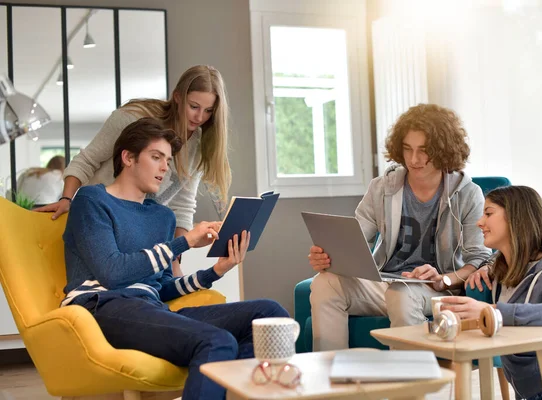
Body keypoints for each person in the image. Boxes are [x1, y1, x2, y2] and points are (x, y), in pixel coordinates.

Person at [61, 118, 288, 399]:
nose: (165, 167)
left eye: (167, 160)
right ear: (128, 157)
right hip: (103, 307)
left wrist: (216, 271)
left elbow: (163, 287)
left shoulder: (162, 216)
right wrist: (185, 242)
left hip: (150, 309)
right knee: (216, 341)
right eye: (156, 157)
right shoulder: (92, 200)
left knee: (269, 314)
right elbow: (112, 273)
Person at [308, 103, 491, 351]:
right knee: (324, 283)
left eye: (424, 151)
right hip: (386, 281)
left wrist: (444, 280)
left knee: (401, 295)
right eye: (408, 149)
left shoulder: (468, 194)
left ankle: (410, 387)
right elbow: (355, 240)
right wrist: (329, 256)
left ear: (443, 150)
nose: (414, 160)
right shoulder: (382, 188)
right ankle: (332, 380)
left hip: (434, 290)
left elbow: (479, 260)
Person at [37, 65, 231, 276]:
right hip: (102, 218)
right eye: (194, 106)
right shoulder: (130, 119)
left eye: (209, 111)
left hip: (139, 233)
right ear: (178, 97)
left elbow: (182, 205)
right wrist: (67, 198)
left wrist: (175, 257)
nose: (200, 117)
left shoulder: (199, 145)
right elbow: (87, 159)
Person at [442, 186, 542, 400]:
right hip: (532, 392)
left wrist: (495, 311)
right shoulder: (502, 271)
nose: (480, 222)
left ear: (517, 218)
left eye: (488, 213)